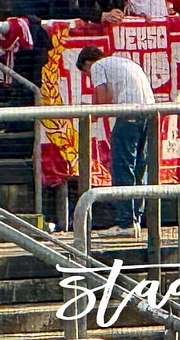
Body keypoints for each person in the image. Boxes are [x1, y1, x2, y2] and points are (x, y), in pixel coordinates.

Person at [75, 46, 155, 235]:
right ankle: (135, 219)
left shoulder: (97, 66)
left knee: (122, 166)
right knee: (139, 168)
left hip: (129, 114)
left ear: (87, 63)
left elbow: (102, 98)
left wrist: (91, 115)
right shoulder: (121, 62)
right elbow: (110, 96)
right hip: (150, 113)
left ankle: (125, 223)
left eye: (86, 74)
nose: (90, 77)